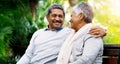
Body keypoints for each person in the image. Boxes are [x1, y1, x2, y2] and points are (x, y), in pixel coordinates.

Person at [17, 4, 105, 64]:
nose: (57, 19)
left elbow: (86, 29)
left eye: (60, 16)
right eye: (54, 15)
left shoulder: (70, 33)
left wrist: (104, 31)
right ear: (47, 17)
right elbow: (28, 55)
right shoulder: (38, 33)